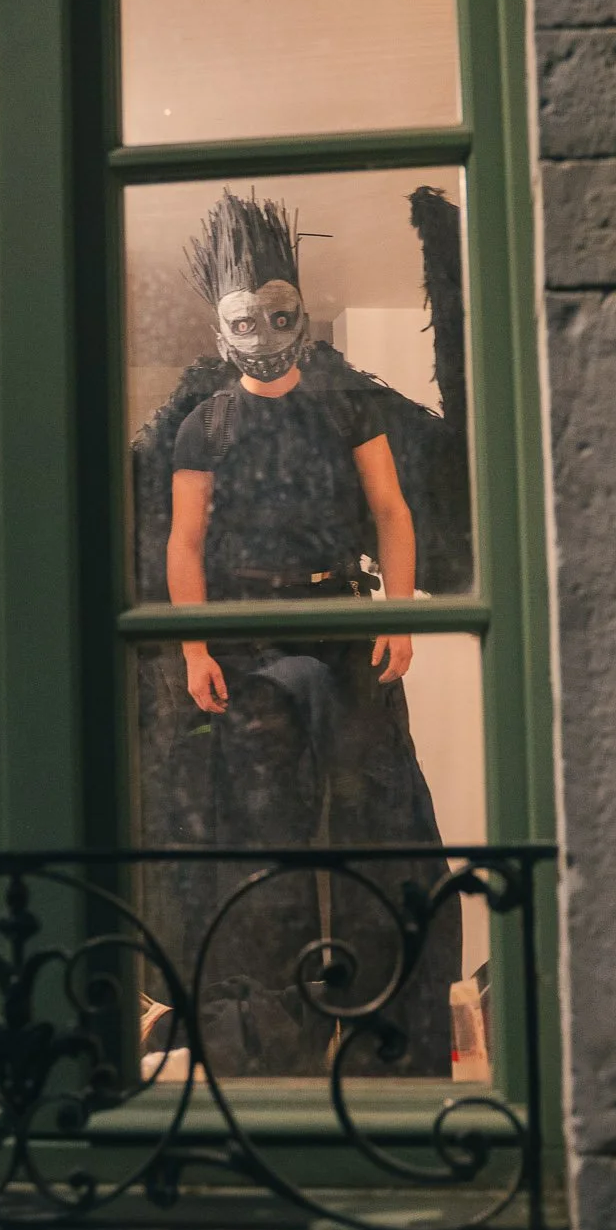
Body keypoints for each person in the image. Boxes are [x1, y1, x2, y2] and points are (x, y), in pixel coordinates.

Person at [155, 192, 459, 1079]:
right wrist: (197, 645)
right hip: (248, 641)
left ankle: (385, 1038)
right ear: (222, 323)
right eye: (245, 317)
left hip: (343, 624)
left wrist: (397, 611)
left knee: (376, 816)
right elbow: (184, 542)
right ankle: (268, 1042)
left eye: (277, 313)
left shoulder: (348, 404)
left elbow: (392, 511)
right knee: (263, 836)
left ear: (299, 306)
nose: (263, 330)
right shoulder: (202, 425)